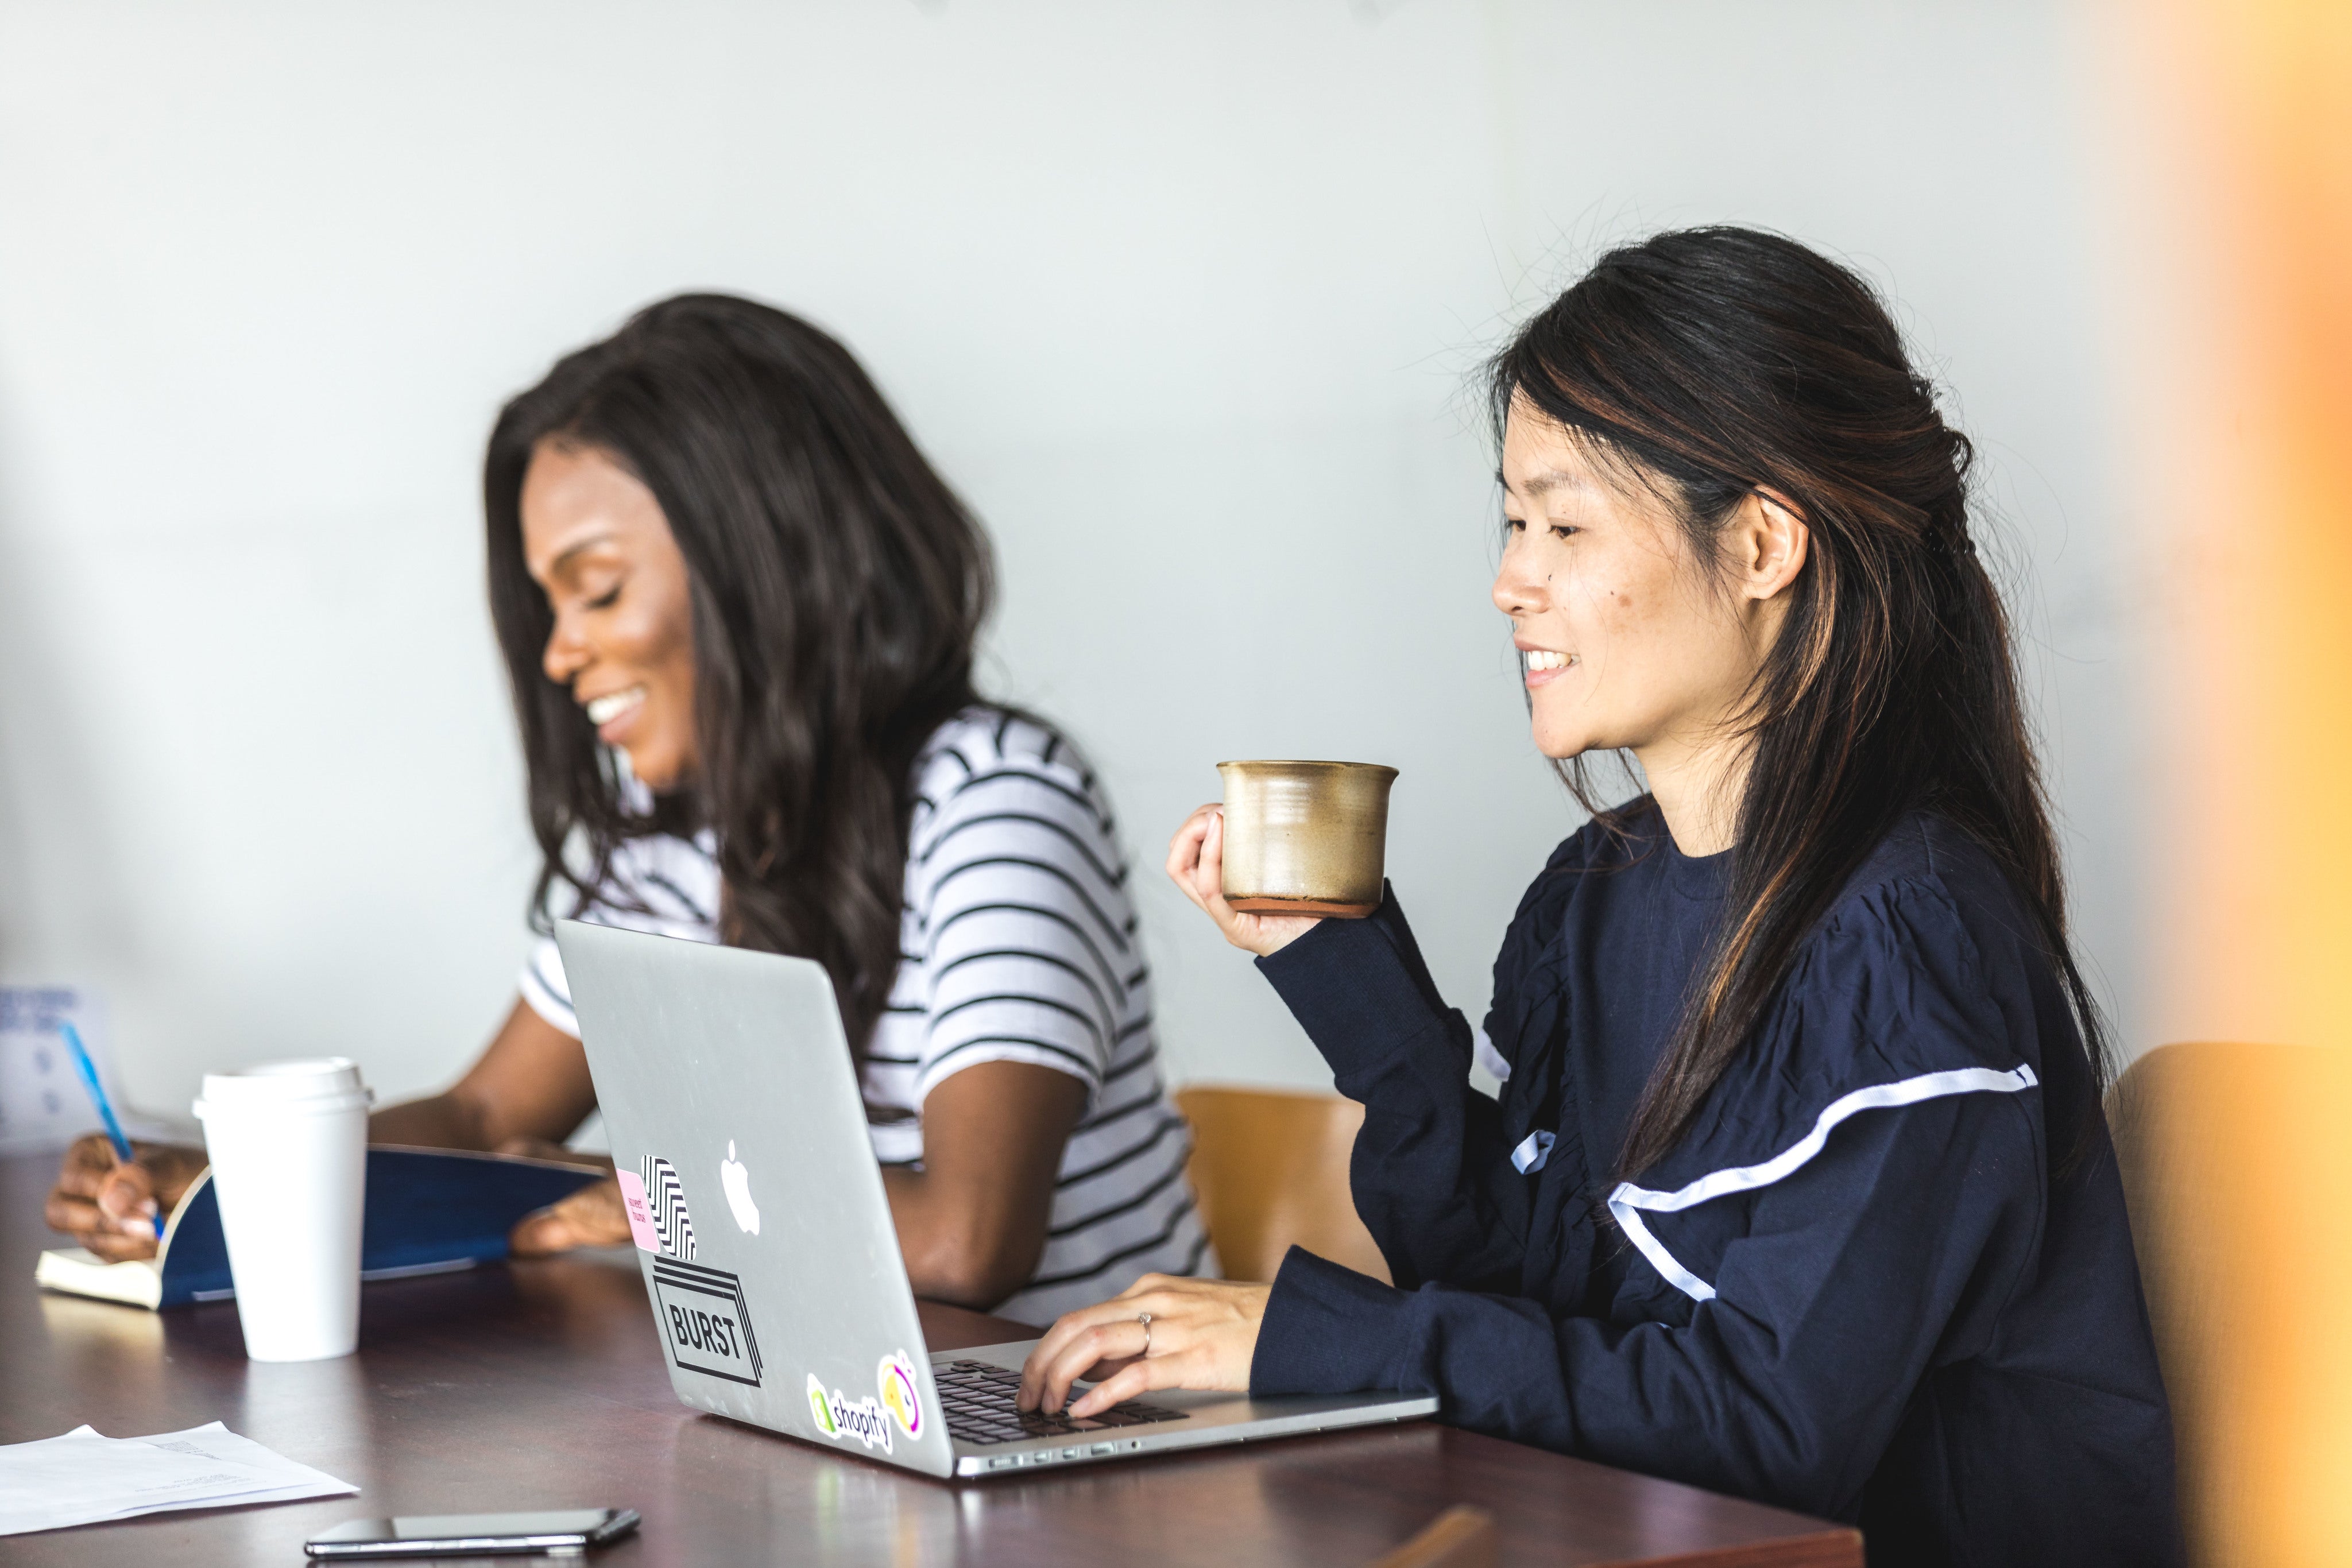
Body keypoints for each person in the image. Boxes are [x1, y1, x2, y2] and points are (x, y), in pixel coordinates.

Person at [1016, 229, 2181, 1564]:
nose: (1511, 580)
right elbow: (1527, 1293)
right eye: (1513, 521)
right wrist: (1348, 978)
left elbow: (1763, 1432)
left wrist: (1303, 1340)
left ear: (1758, 544)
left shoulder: (1904, 939)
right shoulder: (1594, 892)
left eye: (1564, 524)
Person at [45, 294, 1208, 1323]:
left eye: (596, 588)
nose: (558, 652)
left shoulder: (996, 804)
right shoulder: (669, 843)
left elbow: (967, 1242)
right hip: (858, 1439)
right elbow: (488, 1112)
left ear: (768, 561)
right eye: (547, 604)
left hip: (1096, 1446)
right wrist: (226, 1184)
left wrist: (644, 1205)